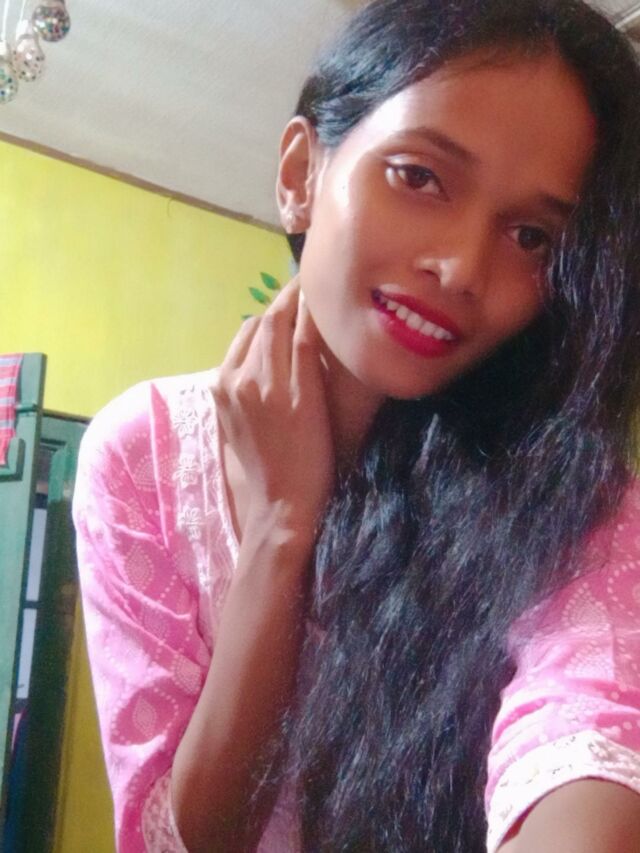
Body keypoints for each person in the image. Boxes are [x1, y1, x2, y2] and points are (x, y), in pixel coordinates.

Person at [72, 0, 640, 850]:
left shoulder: (575, 499)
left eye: (531, 235)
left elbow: (586, 741)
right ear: (301, 173)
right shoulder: (143, 456)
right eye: (420, 176)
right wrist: (279, 533)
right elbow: (182, 838)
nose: (461, 266)